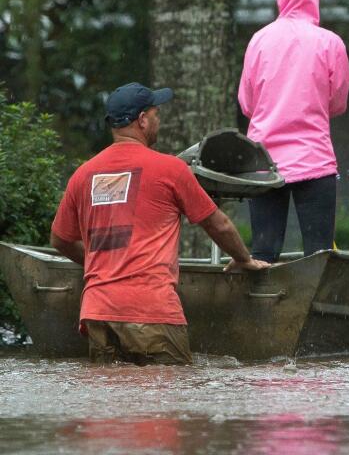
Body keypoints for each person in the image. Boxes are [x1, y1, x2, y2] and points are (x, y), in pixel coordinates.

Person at [50, 82, 269, 365]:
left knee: (108, 403)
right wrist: (244, 259)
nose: (158, 121)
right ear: (142, 120)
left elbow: (60, 239)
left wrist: (98, 263)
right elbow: (219, 225)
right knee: (166, 399)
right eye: (156, 114)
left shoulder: (83, 174)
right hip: (151, 311)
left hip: (98, 312)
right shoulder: (170, 169)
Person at [238, 0, 349, 259]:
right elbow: (338, 103)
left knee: (263, 253)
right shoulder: (330, 43)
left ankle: (263, 306)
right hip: (314, 160)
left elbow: (247, 104)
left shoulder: (258, 41)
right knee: (320, 256)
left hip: (265, 163)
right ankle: (316, 307)